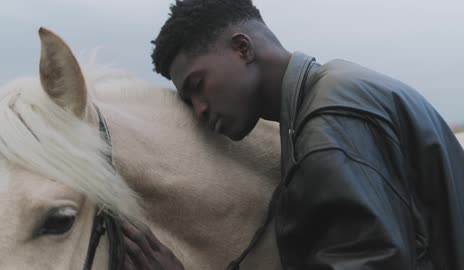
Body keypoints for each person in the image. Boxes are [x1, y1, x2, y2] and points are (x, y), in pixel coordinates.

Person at [126, 0, 464, 269]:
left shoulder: (328, 126)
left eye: (198, 86)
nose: (198, 109)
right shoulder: (332, 90)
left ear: (242, 49)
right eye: (188, 100)